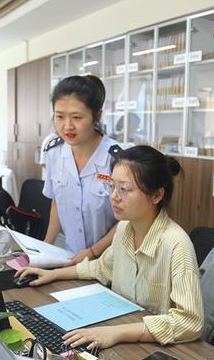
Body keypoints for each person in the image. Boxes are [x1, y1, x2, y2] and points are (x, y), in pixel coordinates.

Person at [16, 145, 203, 349]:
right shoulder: (124, 228)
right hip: (123, 331)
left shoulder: (176, 244)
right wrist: (53, 274)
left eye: (124, 189)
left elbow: (190, 322)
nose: (113, 196)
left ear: (157, 195)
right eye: (112, 186)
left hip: (156, 348)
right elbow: (102, 268)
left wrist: (117, 333)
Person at [43, 75, 120, 264]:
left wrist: (93, 252)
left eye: (77, 117)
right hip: (70, 258)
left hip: (110, 262)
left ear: (97, 115)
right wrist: (44, 248)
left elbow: (129, 219)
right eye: (59, 116)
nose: (67, 126)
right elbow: (57, 203)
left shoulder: (117, 158)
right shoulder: (53, 152)